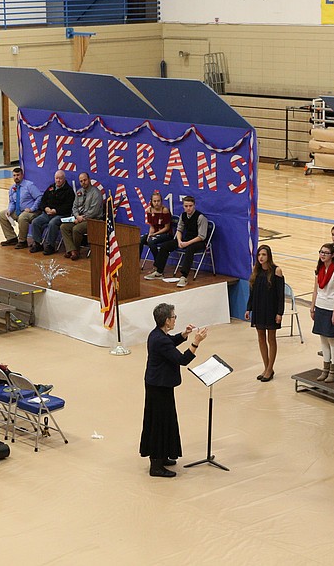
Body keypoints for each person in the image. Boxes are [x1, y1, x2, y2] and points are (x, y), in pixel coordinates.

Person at [139, 303, 207, 478]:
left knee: (165, 420)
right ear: (167, 320)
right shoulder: (159, 339)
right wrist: (196, 342)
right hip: (158, 387)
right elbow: (182, 359)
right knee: (158, 423)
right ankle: (156, 465)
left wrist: (184, 334)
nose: (175, 319)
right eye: (174, 317)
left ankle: (162, 456)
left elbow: (171, 341)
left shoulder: (157, 334)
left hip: (160, 385)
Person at [145, 195, 209, 288]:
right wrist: (179, 241)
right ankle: (159, 272)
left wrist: (187, 243)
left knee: (190, 249)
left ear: (194, 205)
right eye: (186, 206)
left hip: (199, 242)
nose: (188, 208)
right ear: (183, 206)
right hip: (185, 240)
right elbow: (179, 230)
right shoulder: (183, 216)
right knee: (165, 246)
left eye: (190, 206)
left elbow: (202, 236)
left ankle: (184, 276)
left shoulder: (200, 217)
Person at [244, 244, 285, 382]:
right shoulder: (255, 272)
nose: (261, 257)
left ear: (269, 256)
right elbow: (252, 293)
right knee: (261, 337)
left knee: (271, 338)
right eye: (259, 255)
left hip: (271, 309)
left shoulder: (276, 271)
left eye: (264, 255)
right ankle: (267, 367)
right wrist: (248, 308)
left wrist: (280, 313)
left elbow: (280, 295)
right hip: (259, 308)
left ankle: (270, 368)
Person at [310, 243, 334, 383]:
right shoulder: (319, 270)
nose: (322, 255)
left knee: (332, 340)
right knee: (323, 339)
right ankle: (325, 368)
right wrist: (312, 307)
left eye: (326, 253)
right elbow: (316, 290)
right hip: (320, 306)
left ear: (333, 255)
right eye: (321, 252)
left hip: (331, 308)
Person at [27, 170, 75, 255]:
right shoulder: (50, 188)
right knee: (35, 222)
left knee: (52, 223)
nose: (58, 180)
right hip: (47, 213)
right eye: (57, 178)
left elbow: (68, 207)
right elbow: (43, 201)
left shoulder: (69, 191)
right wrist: (45, 208)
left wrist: (56, 211)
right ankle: (38, 243)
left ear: (64, 179)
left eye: (60, 178)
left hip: (61, 215)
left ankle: (50, 246)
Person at [59, 172, 104, 260]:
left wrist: (81, 219)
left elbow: (93, 212)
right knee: (64, 227)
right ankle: (72, 250)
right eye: (81, 181)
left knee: (76, 229)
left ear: (89, 180)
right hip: (78, 219)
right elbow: (74, 207)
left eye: (85, 180)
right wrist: (76, 216)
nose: (83, 182)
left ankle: (76, 251)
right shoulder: (79, 192)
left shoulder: (96, 193)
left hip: (93, 220)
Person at [0, 167, 42, 248]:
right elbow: (12, 202)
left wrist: (32, 208)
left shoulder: (29, 185)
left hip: (32, 212)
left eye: (18, 175)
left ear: (22, 175)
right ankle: (12, 238)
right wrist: (9, 210)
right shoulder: (12, 188)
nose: (16, 177)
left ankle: (22, 241)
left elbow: (39, 197)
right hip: (19, 210)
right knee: (2, 215)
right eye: (14, 175)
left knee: (22, 217)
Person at [140, 190, 174, 259]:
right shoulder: (149, 210)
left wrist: (154, 235)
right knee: (141, 240)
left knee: (151, 241)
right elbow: (152, 226)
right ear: (151, 202)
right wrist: (150, 234)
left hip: (166, 234)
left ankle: (158, 262)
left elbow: (167, 228)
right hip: (155, 233)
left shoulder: (165, 210)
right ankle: (136, 263)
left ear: (161, 201)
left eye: (158, 201)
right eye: (154, 201)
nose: (156, 203)